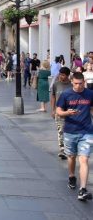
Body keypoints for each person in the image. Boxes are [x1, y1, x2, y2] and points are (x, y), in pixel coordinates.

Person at [56, 72, 93, 201]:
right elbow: (58, 111)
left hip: (87, 131)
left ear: (84, 82)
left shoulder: (90, 93)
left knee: (84, 159)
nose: (78, 86)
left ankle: (83, 189)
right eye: (76, 83)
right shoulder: (66, 94)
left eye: (80, 83)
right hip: (70, 131)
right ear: (72, 82)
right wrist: (67, 113)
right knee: (71, 157)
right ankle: (72, 176)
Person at [50, 67, 72, 160]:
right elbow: (53, 97)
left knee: (70, 131)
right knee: (60, 130)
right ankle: (62, 149)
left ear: (67, 75)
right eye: (60, 74)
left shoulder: (72, 85)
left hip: (70, 112)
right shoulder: (56, 84)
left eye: (63, 75)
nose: (60, 76)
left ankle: (69, 148)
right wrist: (53, 109)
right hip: (59, 112)